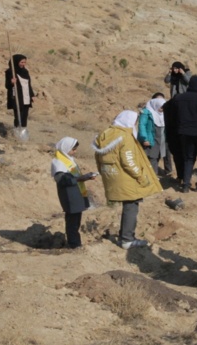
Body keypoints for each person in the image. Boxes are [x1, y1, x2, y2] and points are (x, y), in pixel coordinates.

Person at [93, 110, 162, 249]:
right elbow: (128, 161)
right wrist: (141, 177)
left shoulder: (105, 134)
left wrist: (103, 172)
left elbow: (98, 157)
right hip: (126, 178)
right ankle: (127, 239)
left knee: (128, 205)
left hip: (112, 175)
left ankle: (124, 236)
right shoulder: (125, 136)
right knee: (131, 206)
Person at [50, 137, 98, 249]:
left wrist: (86, 177)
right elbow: (62, 180)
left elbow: (75, 177)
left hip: (76, 193)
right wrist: (81, 179)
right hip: (69, 195)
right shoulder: (58, 162)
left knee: (76, 221)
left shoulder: (68, 159)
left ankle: (75, 243)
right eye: (73, 149)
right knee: (72, 222)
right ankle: (73, 244)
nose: (75, 152)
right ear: (66, 148)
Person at [138, 93, 172, 176]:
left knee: (160, 154)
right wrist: (144, 139)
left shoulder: (163, 113)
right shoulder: (147, 112)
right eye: (161, 107)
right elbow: (142, 125)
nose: (162, 109)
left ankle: (164, 173)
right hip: (152, 138)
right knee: (152, 156)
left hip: (162, 138)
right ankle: (153, 175)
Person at [5, 54, 35, 128]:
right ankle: (17, 130)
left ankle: (23, 130)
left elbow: (28, 84)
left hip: (26, 96)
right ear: (16, 62)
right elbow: (7, 86)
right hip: (17, 96)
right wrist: (12, 82)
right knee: (18, 115)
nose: (23, 64)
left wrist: (32, 95)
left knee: (25, 115)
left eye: (24, 62)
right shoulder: (10, 72)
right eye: (21, 62)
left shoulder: (25, 71)